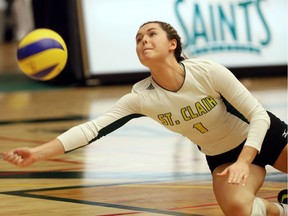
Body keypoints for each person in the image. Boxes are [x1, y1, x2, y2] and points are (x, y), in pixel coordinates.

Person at [2, 21, 287, 216]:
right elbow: (91, 129)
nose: (143, 41)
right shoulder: (141, 96)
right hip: (223, 156)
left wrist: (245, 161)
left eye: (151, 34)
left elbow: (258, 115)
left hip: (265, 137)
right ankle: (281, 208)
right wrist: (36, 153)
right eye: (138, 39)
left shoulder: (207, 71)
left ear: (172, 44)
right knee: (238, 209)